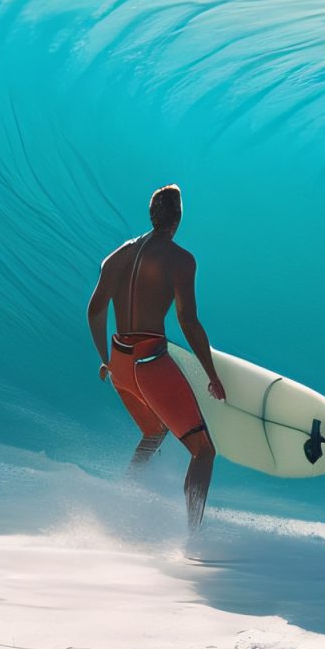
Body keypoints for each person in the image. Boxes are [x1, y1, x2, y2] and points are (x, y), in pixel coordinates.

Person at [87, 183, 226, 528]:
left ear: (152, 216)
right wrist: (212, 375)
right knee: (203, 452)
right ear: (178, 218)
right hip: (150, 363)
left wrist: (105, 359)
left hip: (121, 364)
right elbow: (188, 321)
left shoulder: (116, 257)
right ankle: (193, 537)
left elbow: (95, 310)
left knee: (153, 433)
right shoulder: (180, 259)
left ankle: (122, 500)